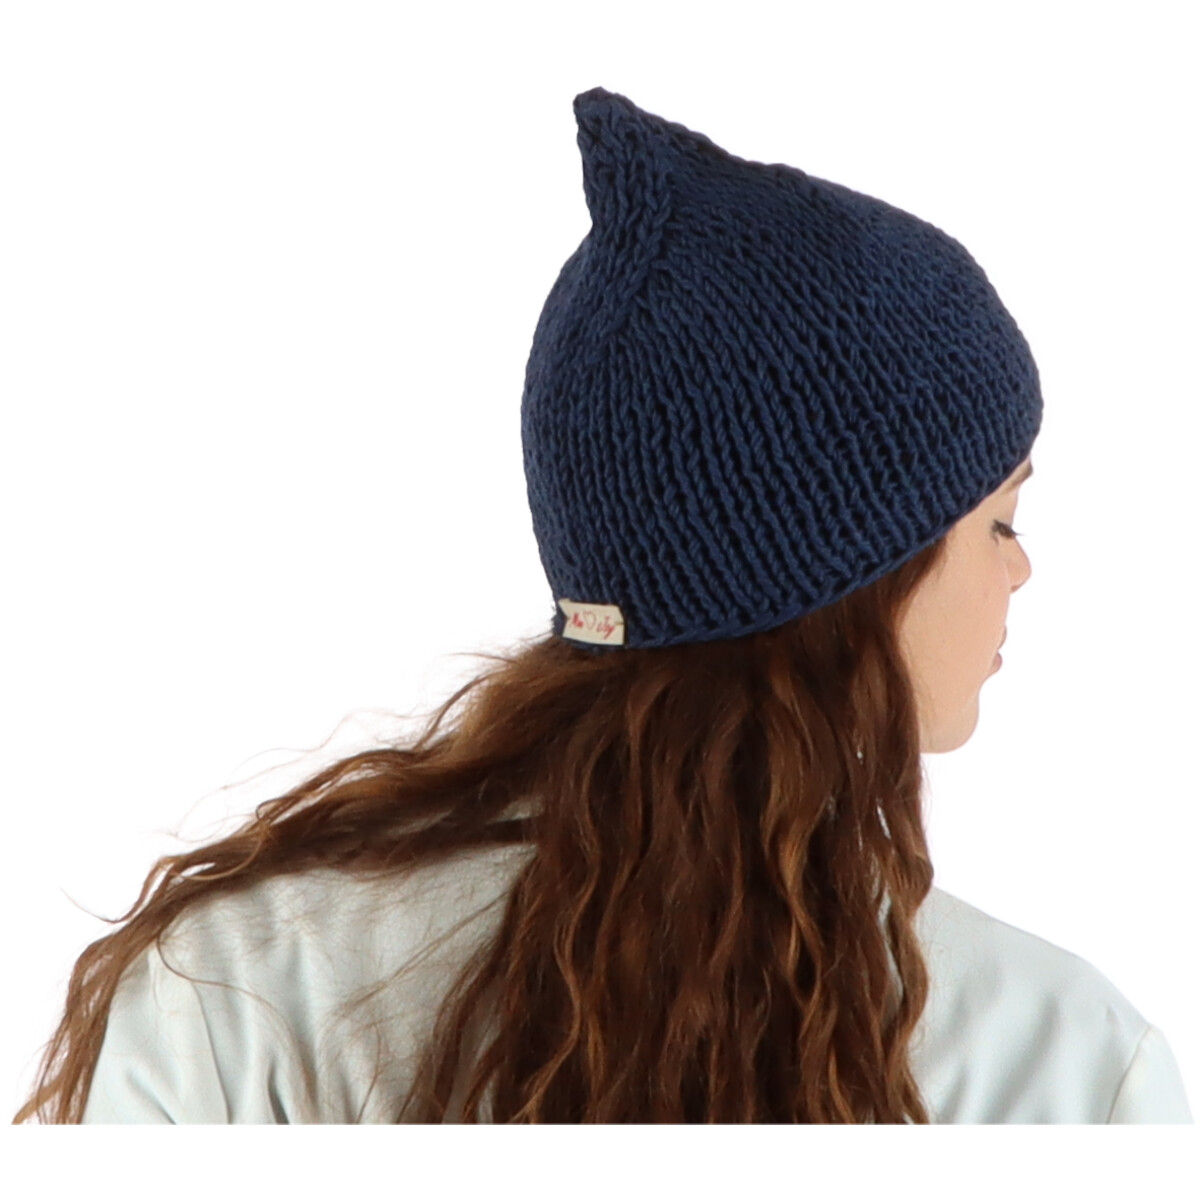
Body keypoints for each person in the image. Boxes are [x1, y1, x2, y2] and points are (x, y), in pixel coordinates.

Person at [13, 86, 1192, 1125]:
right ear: (847, 577)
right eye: (1000, 520)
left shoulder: (229, 990)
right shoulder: (1061, 1063)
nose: (1020, 572)